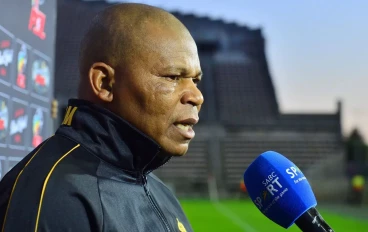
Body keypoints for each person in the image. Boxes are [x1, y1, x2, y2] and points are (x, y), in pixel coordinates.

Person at [0, 3, 203, 232]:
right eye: (173, 77)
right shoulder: (53, 195)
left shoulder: (158, 189)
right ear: (105, 83)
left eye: (196, 80)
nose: (197, 96)